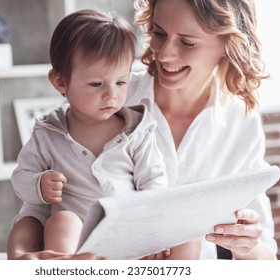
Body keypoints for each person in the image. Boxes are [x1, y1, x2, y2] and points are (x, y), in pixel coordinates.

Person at [7, 0, 277, 260]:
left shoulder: (240, 119)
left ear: (228, 44)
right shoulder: (107, 90)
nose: (165, 53)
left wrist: (246, 245)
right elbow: (45, 202)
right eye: (159, 33)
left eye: (187, 42)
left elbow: (266, 254)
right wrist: (20, 256)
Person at [10, 9, 193, 259]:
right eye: (96, 84)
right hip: (76, 239)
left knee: (188, 236)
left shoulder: (137, 131)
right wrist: (38, 184)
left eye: (121, 82)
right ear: (61, 82)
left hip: (126, 230)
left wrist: (152, 228)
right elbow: (21, 176)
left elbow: (153, 182)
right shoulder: (47, 133)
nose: (111, 95)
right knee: (62, 221)